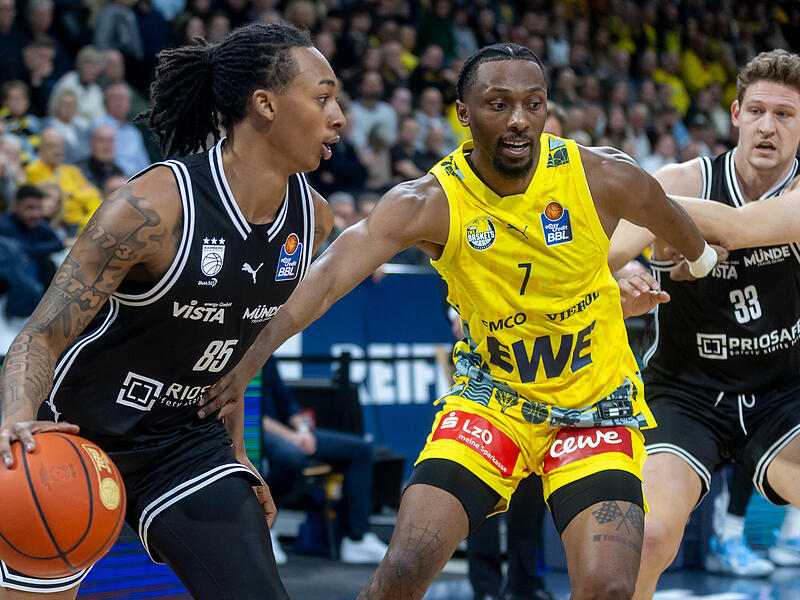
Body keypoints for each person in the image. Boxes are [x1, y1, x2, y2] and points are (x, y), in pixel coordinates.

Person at [201, 43, 717, 600]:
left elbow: (669, 212)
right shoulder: (429, 201)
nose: (519, 119)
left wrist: (701, 258)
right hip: (493, 403)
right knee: (402, 570)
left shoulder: (602, 175)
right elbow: (325, 280)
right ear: (464, 114)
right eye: (498, 104)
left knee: (609, 588)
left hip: (593, 408)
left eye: (533, 104)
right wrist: (248, 357)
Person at [0, 22, 344, 599]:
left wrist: (236, 452)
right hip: (74, 431)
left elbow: (233, 349)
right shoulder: (150, 211)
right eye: (323, 96)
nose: (338, 115)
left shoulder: (313, 220)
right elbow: (38, 336)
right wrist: (14, 419)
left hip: (184, 444)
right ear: (265, 105)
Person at [607, 49, 800, 599]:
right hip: (686, 394)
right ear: (735, 115)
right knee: (648, 536)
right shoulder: (684, 177)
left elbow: (737, 228)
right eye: (757, 110)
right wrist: (619, 280)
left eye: (784, 115)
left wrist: (657, 209)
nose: (768, 126)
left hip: (781, 394)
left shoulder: (791, 196)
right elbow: (600, 262)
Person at [260, 357, 388, 564]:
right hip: (253, 432)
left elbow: (286, 402)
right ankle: (266, 530)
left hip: (290, 432)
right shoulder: (238, 354)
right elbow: (247, 413)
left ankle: (357, 538)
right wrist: (292, 437)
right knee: (292, 457)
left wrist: (302, 431)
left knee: (360, 450)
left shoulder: (268, 356)